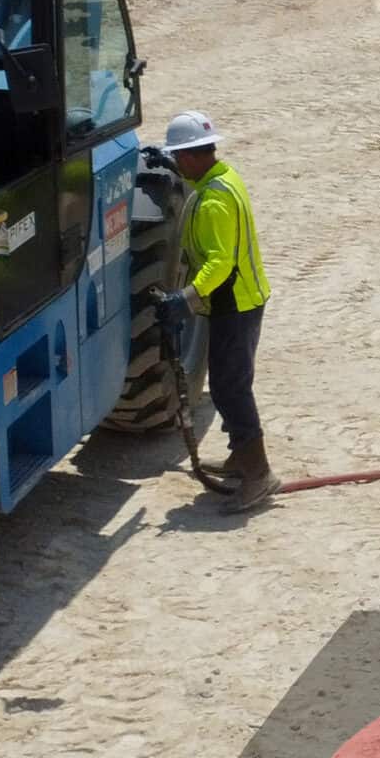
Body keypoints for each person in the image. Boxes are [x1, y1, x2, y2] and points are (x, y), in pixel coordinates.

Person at [161, 110, 277, 509]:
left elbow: (219, 263)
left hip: (236, 305)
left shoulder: (213, 201)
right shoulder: (225, 179)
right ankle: (238, 460)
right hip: (242, 301)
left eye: (178, 158)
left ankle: (258, 475)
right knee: (230, 384)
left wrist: (185, 298)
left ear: (193, 156)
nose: (177, 164)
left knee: (231, 389)